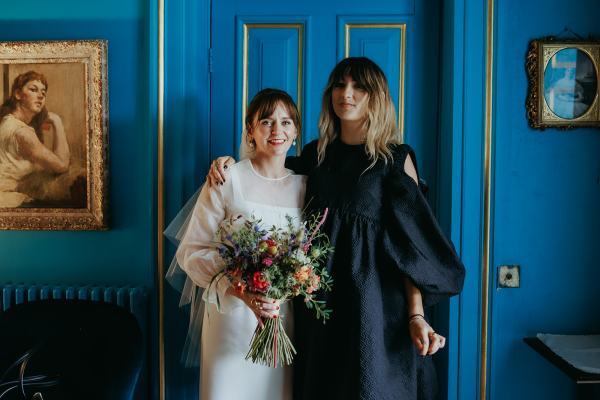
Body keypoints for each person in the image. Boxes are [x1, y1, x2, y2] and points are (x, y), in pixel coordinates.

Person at [208, 57, 465, 399]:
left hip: (373, 304)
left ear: (377, 97)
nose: (347, 93)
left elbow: (412, 247)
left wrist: (416, 315)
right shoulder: (316, 155)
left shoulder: (393, 159)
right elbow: (267, 175)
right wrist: (229, 163)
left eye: (359, 86)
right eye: (340, 85)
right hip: (319, 304)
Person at [173, 88, 306, 400]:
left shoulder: (306, 186)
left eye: (286, 123)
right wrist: (241, 290)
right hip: (230, 315)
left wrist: (292, 284)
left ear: (296, 132)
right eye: (266, 122)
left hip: (281, 319)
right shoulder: (226, 177)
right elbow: (191, 252)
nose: (277, 131)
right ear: (250, 130)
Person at [0, 70, 84, 208]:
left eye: (43, 93)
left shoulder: (6, 122)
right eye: (33, 90)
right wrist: (57, 121)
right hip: (8, 200)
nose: (40, 96)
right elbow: (62, 166)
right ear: (18, 94)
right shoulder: (22, 133)